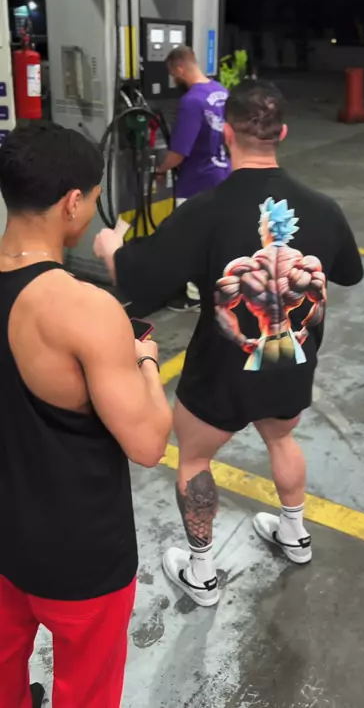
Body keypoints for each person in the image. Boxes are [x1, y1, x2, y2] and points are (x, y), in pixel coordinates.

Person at [94, 80, 364, 608]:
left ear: (226, 133)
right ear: (282, 134)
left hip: (221, 373)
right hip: (291, 362)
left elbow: (140, 283)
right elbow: (348, 274)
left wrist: (111, 250)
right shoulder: (325, 208)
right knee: (282, 440)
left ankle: (201, 572)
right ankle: (295, 533)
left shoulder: (205, 211)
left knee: (195, 460)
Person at [0, 123, 172, 708]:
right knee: (88, 692)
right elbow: (148, 444)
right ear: (72, 202)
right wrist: (145, 361)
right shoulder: (83, 308)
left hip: (5, 538)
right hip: (80, 553)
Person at [157, 45, 230, 312]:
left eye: (172, 74)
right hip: (223, 174)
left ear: (179, 69)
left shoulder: (191, 101)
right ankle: (217, 291)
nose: (173, 80)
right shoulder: (221, 92)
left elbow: (179, 152)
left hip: (197, 181)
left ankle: (194, 295)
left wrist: (159, 169)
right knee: (215, 239)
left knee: (190, 240)